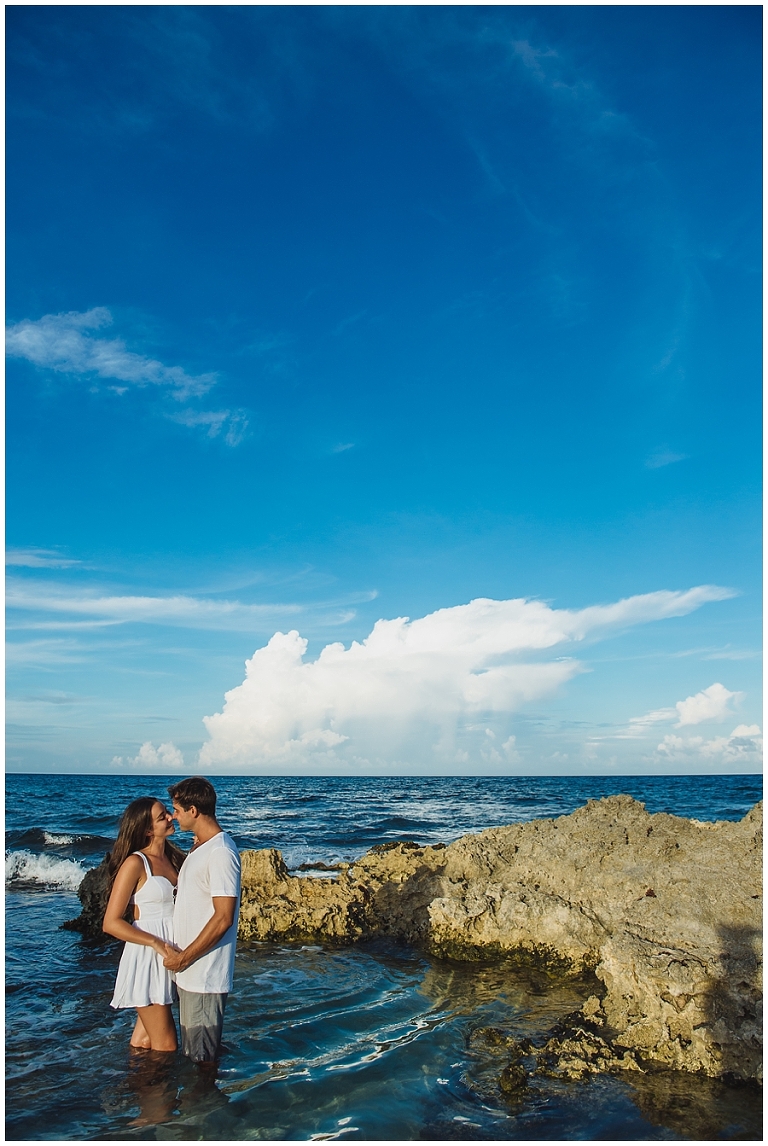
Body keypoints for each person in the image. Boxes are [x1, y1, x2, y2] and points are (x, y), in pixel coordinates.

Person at [162, 777, 241, 1066]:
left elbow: (223, 918)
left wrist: (183, 959)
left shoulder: (220, 852)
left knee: (201, 1063)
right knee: (194, 1056)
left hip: (204, 975)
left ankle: (205, 1110)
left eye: (177, 810)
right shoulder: (202, 847)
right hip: (191, 974)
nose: (173, 816)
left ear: (193, 810)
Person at [103, 797, 185, 1052]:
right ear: (148, 830)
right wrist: (157, 944)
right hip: (149, 956)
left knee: (145, 1040)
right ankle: (160, 1092)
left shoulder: (173, 858)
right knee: (167, 1045)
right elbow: (111, 922)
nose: (171, 817)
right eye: (163, 817)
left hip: (170, 953)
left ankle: (135, 1087)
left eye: (168, 813)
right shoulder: (136, 863)